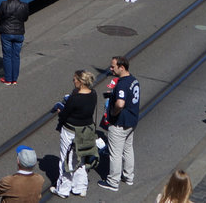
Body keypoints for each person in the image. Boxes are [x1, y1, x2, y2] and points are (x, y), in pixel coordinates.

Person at [50, 69, 97, 198]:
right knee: (80, 158)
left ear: (80, 81)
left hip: (70, 131)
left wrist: (60, 112)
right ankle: (80, 187)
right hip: (86, 131)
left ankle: (63, 189)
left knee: (66, 159)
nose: (73, 81)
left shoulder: (75, 98)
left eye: (75, 79)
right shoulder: (93, 94)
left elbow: (65, 114)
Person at [99, 55, 140, 192]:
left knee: (115, 153)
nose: (110, 69)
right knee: (128, 149)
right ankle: (128, 176)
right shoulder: (133, 80)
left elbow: (120, 103)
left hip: (119, 123)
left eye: (113, 67)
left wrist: (113, 112)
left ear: (121, 67)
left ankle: (113, 182)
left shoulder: (122, 84)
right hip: (131, 121)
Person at [0, 0, 28, 84]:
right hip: (19, 33)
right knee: (16, 56)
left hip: (6, 32)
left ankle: (8, 79)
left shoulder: (4, 4)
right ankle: (14, 79)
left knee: (7, 56)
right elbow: (25, 18)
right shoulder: (24, 6)